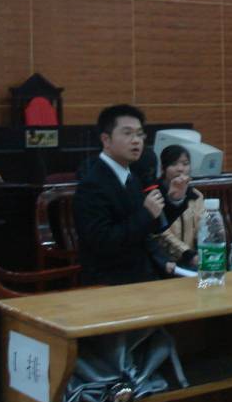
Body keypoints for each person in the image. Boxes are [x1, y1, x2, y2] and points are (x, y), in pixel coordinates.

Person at [72, 104, 178, 285]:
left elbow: (150, 228)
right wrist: (146, 213)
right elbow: (103, 242)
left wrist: (174, 200)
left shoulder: (132, 177)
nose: (136, 141)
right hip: (110, 282)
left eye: (139, 134)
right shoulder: (92, 185)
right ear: (106, 140)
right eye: (128, 133)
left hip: (144, 275)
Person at [153, 145, 205, 269]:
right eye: (174, 164)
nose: (180, 169)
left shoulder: (195, 195)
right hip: (165, 261)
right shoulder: (155, 195)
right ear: (163, 168)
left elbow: (203, 226)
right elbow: (161, 233)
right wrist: (188, 254)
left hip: (193, 258)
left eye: (185, 164)